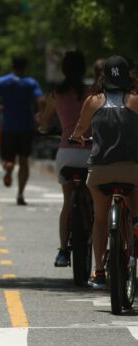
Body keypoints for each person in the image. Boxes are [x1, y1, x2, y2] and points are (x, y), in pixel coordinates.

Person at [70, 55, 138, 289]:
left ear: (104, 77)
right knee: (136, 214)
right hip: (132, 170)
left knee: (100, 219)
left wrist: (78, 137)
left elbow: (79, 129)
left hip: (100, 171)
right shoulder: (136, 100)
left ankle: (98, 271)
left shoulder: (93, 101)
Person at [37, 51, 92, 267]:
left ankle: (62, 251)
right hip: (90, 152)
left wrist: (43, 128)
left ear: (63, 70)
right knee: (90, 199)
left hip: (66, 154)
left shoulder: (55, 94)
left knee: (67, 201)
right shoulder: (92, 94)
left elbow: (44, 123)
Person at [0, 55, 45, 205]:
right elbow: (41, 99)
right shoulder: (31, 83)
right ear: (25, 66)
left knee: (9, 158)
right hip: (26, 127)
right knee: (24, 160)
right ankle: (20, 193)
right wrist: (39, 114)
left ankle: (8, 167)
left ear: (12, 65)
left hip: (8, 127)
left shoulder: (2, 81)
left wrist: (0, 110)